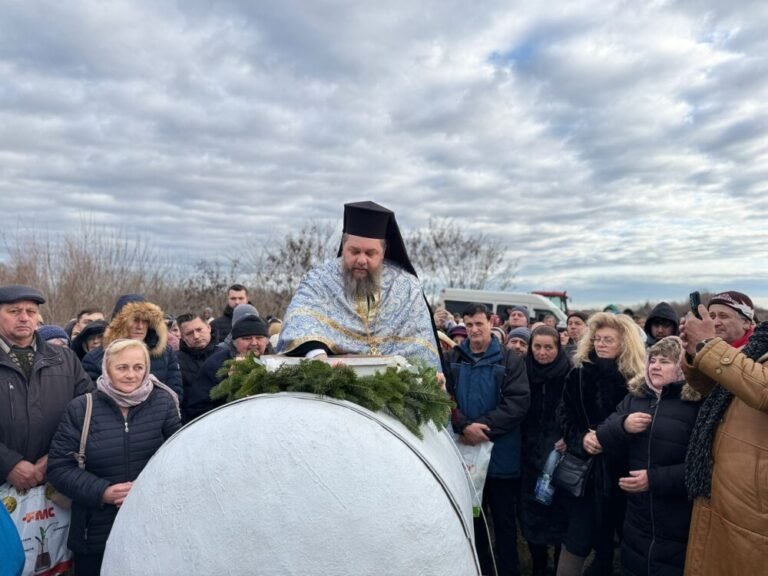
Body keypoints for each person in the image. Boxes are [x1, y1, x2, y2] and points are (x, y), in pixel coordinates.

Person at [47, 339, 181, 575]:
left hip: (150, 526)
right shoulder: (82, 408)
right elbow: (59, 468)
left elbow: (177, 459)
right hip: (95, 531)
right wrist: (103, 492)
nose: (131, 375)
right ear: (107, 368)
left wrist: (145, 488)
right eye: (122, 367)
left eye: (138, 367)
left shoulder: (164, 403)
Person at [277, 201, 441, 371]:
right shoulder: (319, 280)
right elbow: (299, 319)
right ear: (344, 246)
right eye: (354, 251)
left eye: (370, 253)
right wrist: (319, 357)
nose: (361, 260)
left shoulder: (407, 287)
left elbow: (422, 344)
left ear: (383, 253)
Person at [595, 336, 702, 576]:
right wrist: (623, 425)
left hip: (678, 516)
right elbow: (603, 433)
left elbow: (704, 467)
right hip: (637, 513)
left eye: (664, 361)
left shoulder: (696, 404)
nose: (654, 366)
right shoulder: (636, 397)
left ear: (682, 366)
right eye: (652, 360)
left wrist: (653, 480)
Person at [679, 291, 767, 576]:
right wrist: (695, 352)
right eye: (711, 316)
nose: (715, 322)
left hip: (753, 499)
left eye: (723, 316)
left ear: (747, 322)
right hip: (725, 483)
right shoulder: (755, 347)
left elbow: (762, 389)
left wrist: (707, 344)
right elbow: (720, 393)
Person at [557, 312, 646, 576]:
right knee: (577, 539)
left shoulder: (638, 381)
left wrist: (611, 437)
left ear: (625, 343)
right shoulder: (579, 375)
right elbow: (563, 416)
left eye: (609, 339)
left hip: (624, 474)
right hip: (586, 474)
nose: (601, 344)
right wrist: (581, 439)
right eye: (597, 339)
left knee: (621, 546)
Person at [446, 303, 530, 576]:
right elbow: (445, 398)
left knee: (504, 523)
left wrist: (481, 428)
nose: (473, 330)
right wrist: (461, 425)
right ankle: (479, 568)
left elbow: (517, 403)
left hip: (500, 457)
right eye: (469, 325)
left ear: (490, 322)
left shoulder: (509, 359)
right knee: (474, 521)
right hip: (466, 458)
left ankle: (508, 570)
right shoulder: (454, 358)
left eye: (479, 324)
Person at [0, 284, 92, 491]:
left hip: (57, 480)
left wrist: (56, 456)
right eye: (14, 311)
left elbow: (88, 412)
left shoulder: (65, 358)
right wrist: (8, 464)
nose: (24, 318)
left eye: (31, 312)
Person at [520, 326, 571, 576]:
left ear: (558, 347)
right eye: (537, 347)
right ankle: (539, 565)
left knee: (559, 514)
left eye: (548, 347)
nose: (542, 352)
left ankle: (559, 565)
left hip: (559, 455)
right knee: (532, 515)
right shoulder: (523, 371)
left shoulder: (570, 373)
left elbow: (581, 410)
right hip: (528, 454)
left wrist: (569, 435)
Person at [81, 294, 183, 400]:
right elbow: (93, 400)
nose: (140, 326)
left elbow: (175, 393)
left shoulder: (165, 353)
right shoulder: (95, 358)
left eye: (145, 321)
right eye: (134, 320)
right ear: (120, 323)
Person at [184, 315, 273, 421]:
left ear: (266, 341)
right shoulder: (216, 364)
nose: (254, 343)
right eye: (247, 338)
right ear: (235, 342)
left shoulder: (276, 363)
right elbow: (197, 407)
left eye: (259, 338)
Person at [175, 313, 217, 421]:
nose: (196, 336)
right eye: (189, 333)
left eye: (199, 330)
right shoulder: (175, 362)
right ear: (182, 337)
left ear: (208, 328)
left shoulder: (226, 355)